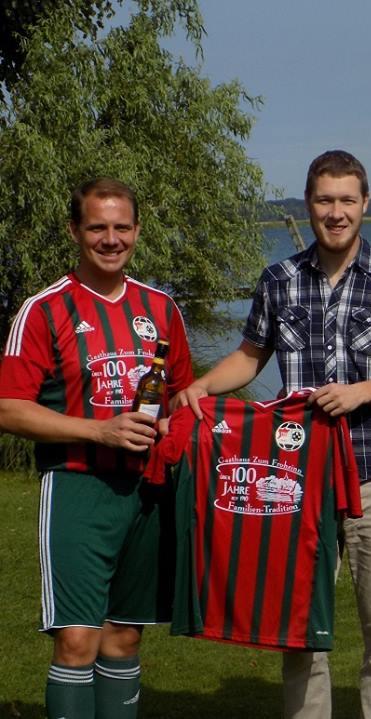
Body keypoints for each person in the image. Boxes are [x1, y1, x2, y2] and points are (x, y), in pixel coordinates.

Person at [172, 150, 371, 719]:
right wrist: (202, 387)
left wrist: (360, 392)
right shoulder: (279, 280)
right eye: (325, 200)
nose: (336, 212)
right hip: (297, 482)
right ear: (308, 204)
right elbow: (249, 357)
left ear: (365, 203)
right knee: (300, 631)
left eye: (347, 200)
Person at [0, 177, 194, 719]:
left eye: (121, 227)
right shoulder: (44, 310)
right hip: (78, 487)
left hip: (147, 492)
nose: (111, 239)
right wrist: (99, 431)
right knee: (77, 639)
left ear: (137, 230)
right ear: (74, 230)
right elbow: (8, 408)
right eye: (97, 227)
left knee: (125, 637)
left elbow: (184, 395)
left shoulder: (161, 307)